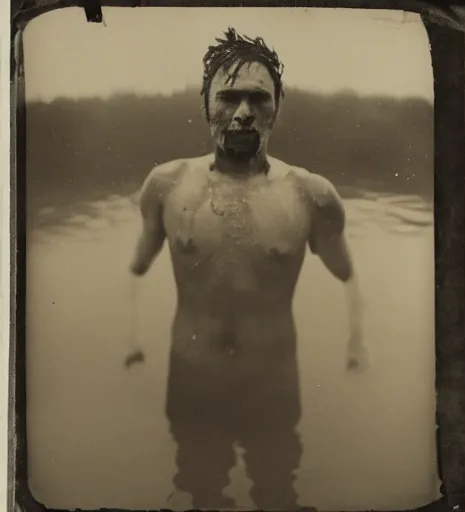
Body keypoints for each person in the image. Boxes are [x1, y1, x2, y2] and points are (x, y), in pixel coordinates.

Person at [127, 27, 367, 510]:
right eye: (228, 97)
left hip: (273, 386)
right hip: (192, 382)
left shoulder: (311, 194)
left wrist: (358, 341)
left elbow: (348, 275)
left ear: (279, 105)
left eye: (258, 98)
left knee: (278, 492)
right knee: (201, 493)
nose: (242, 113)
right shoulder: (165, 186)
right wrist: (129, 340)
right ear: (204, 104)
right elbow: (137, 268)